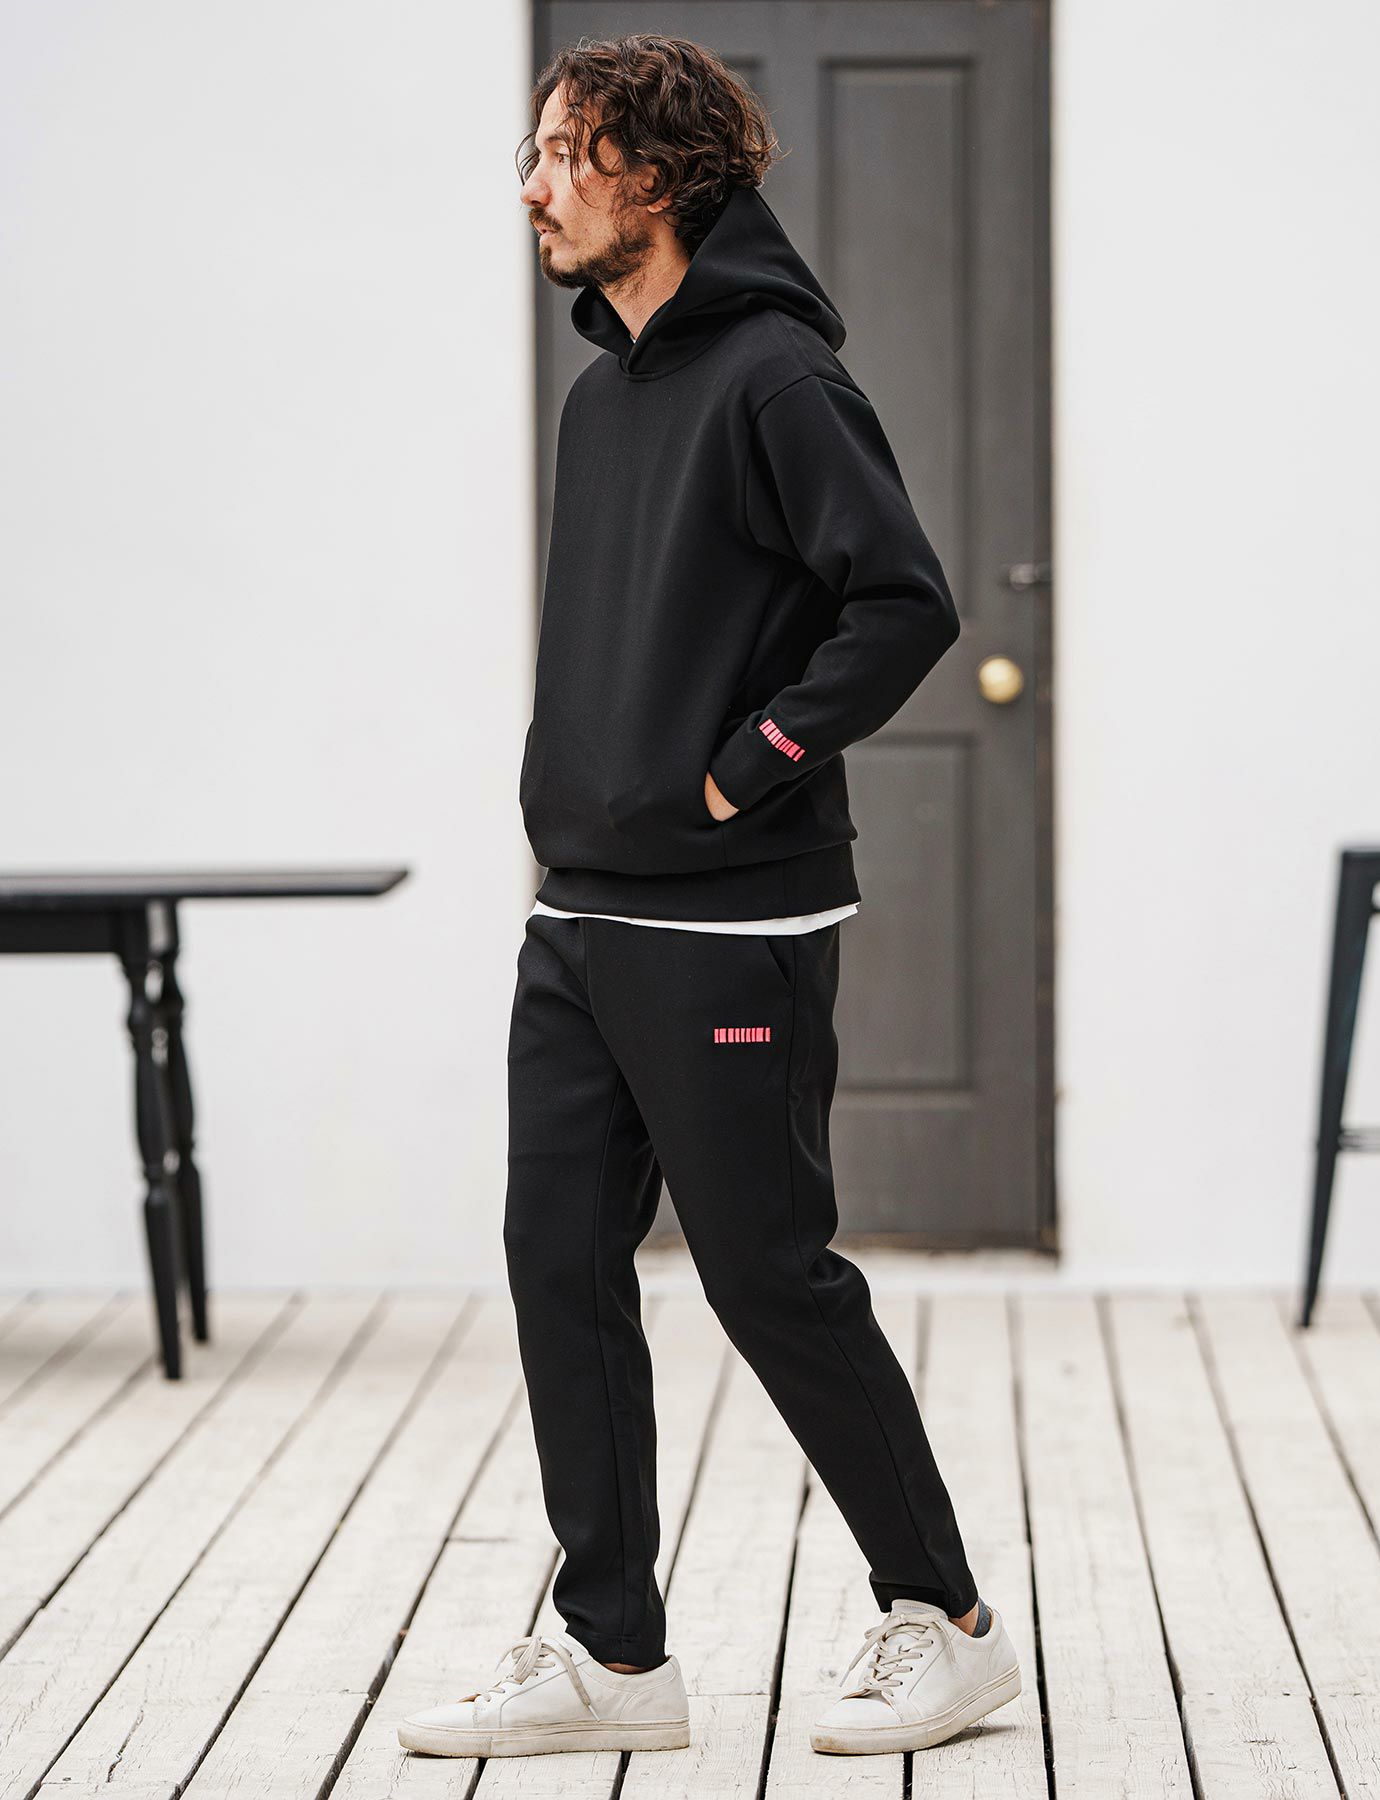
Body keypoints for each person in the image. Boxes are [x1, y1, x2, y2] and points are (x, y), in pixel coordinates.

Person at [398, 32, 1021, 1763]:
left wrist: (751, 766)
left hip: (734, 918)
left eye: (562, 153)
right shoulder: (604, 396)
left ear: (656, 176)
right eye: (532, 153)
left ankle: (947, 1622)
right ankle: (614, 1657)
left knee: (767, 1276)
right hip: (581, 910)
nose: (533, 187)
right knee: (558, 1264)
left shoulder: (778, 381)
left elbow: (901, 602)